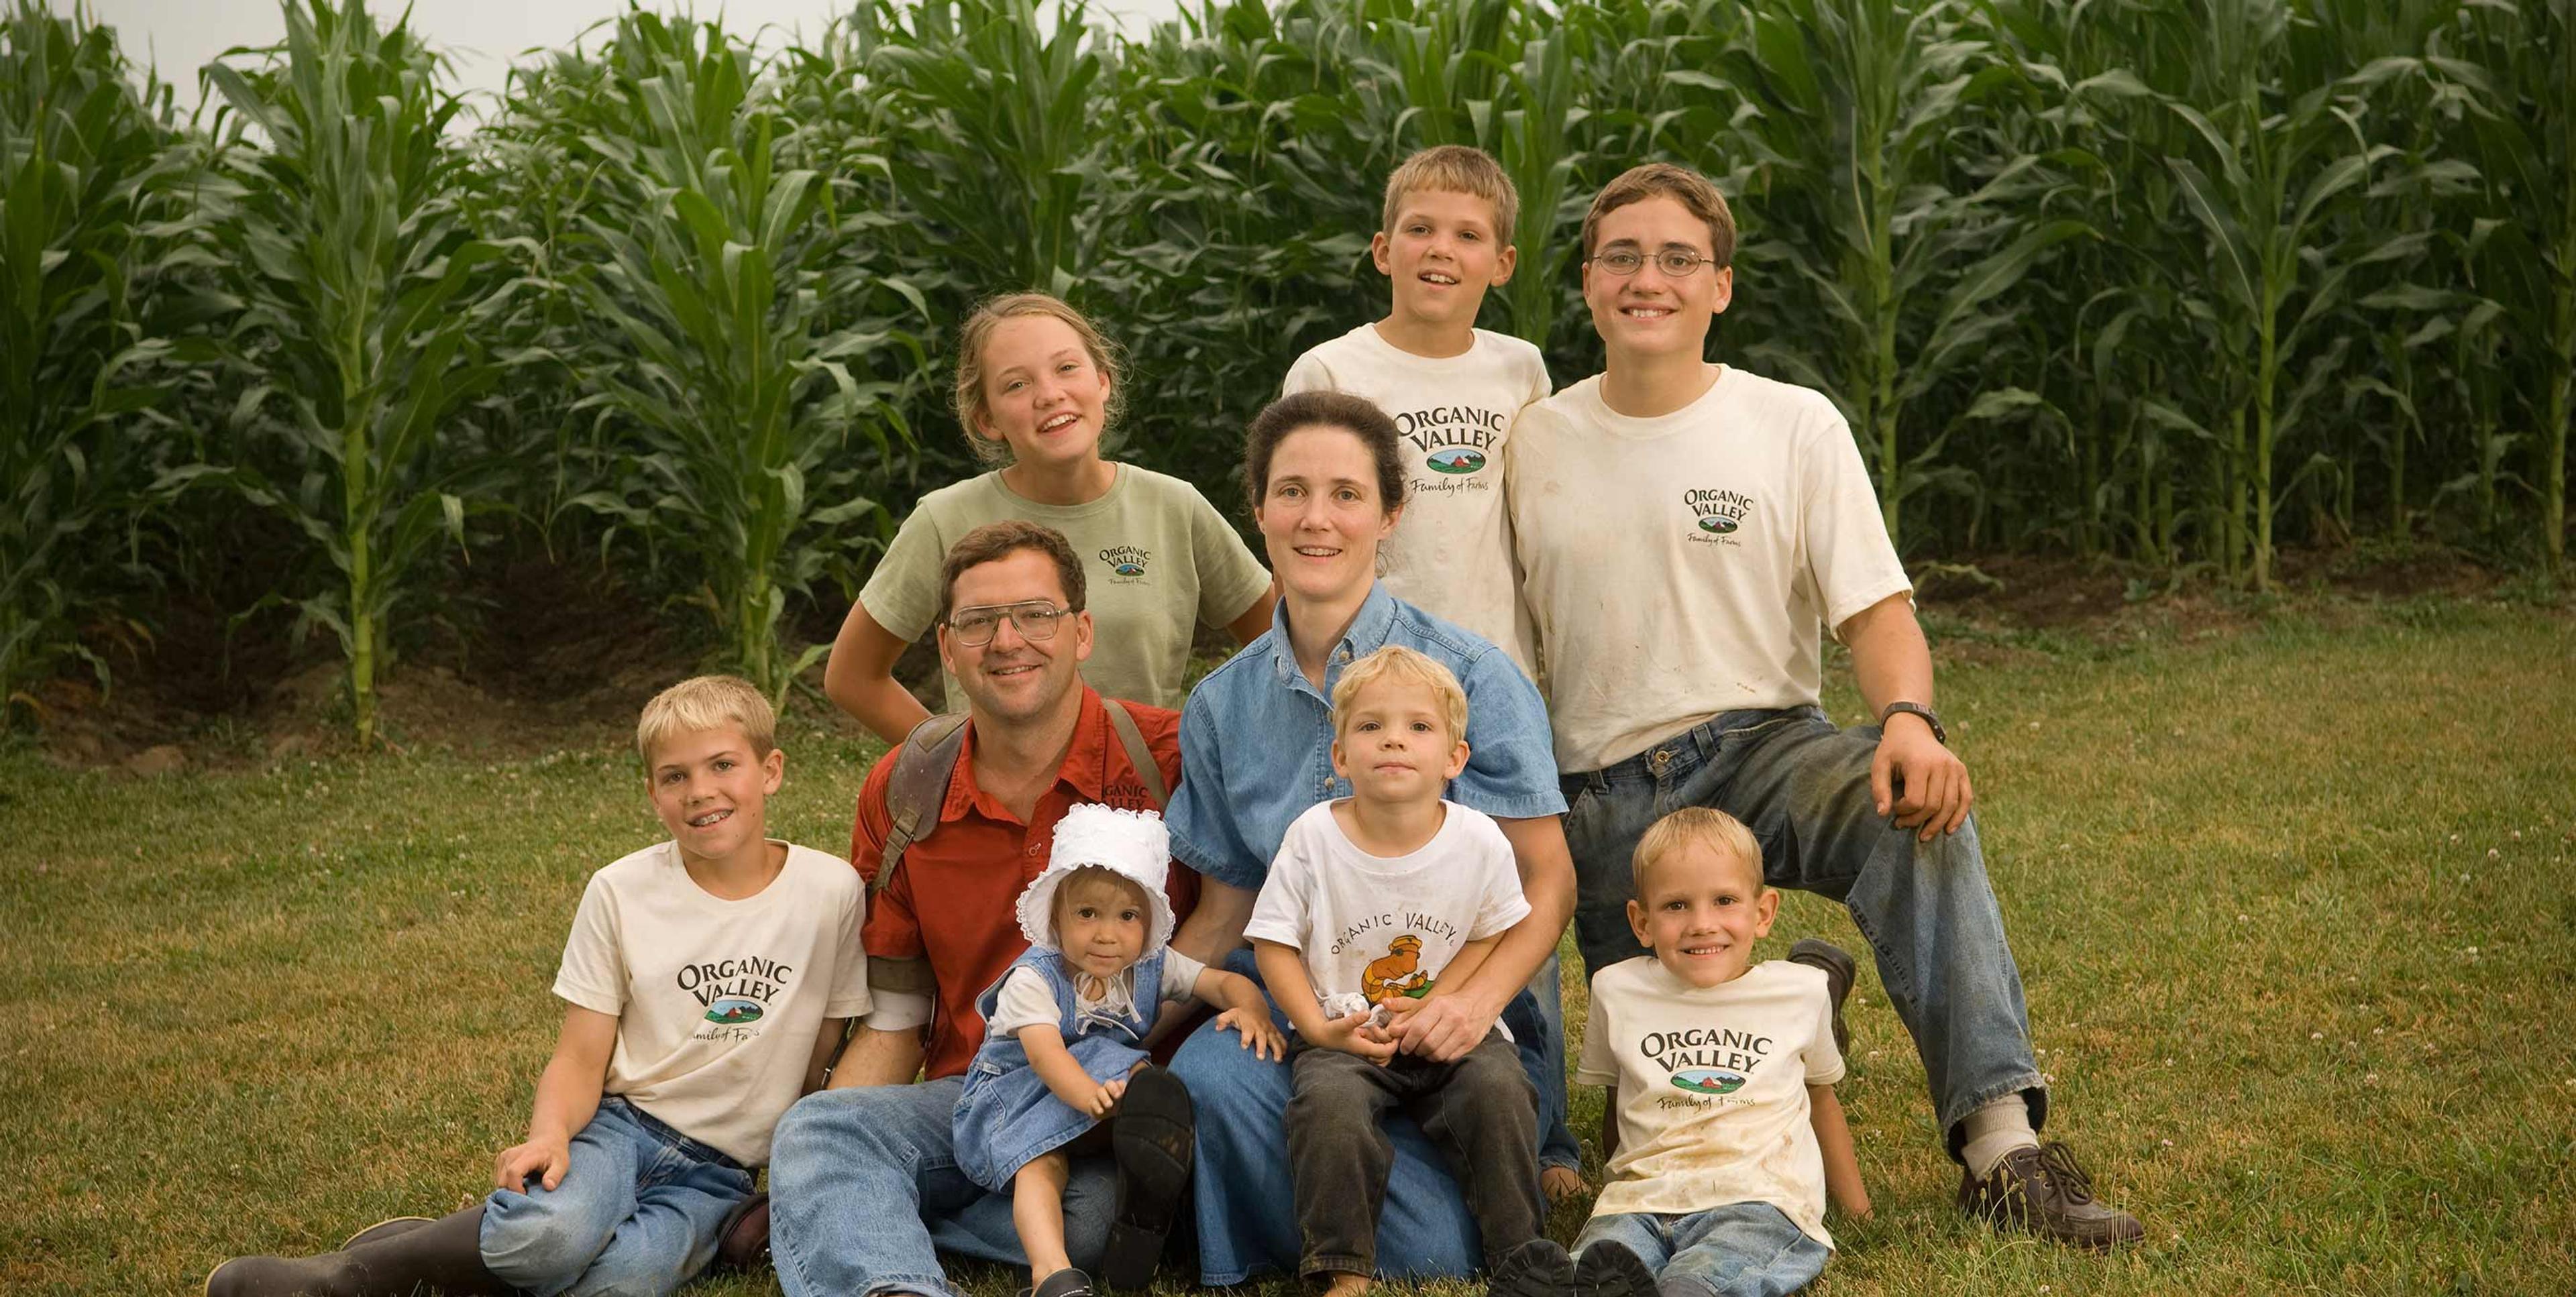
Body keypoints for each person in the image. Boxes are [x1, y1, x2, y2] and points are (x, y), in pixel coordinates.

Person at [1506, 162, 2144, 1247]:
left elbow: (1878, 612)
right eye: (1623, 256)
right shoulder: (1535, 440)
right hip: (1604, 791)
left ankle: (2002, 1150)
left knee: (1919, 816)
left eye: (1678, 258)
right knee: (1666, 1114)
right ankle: (1797, 996)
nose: (1648, 278)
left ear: (1721, 286)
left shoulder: (1791, 423)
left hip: (1769, 746)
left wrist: (1909, 723)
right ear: (1587, 282)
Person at [207, 676, 868, 1297]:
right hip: (621, 1127)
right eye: (676, 775)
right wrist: (550, 1135)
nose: (700, 790)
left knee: (621, 1282)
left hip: (717, 1175)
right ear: (652, 793)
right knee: (549, 1238)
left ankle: (449, 1246)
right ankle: (347, 1276)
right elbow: (579, 1054)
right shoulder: (622, 891)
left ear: (770, 770)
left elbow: (825, 1050)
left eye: (723, 764)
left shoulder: (829, 891)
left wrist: (804, 1171)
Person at [1161, 390, 1576, 1286]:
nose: (1317, 518)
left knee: (1438, 1251)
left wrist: (1472, 1004)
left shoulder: (1471, 677)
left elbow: (1546, 878)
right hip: (1305, 1016)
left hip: (1455, 1012)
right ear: (1258, 509)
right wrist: (1122, 1032)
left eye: (1346, 494)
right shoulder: (1222, 705)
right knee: (1209, 1076)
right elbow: (1228, 906)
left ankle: (1351, 1202)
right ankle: (1314, 1213)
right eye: (1292, 491)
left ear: (1390, 514)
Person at [767, 520, 1203, 1297]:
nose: (1007, 640)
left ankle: (848, 1211)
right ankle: (893, 1280)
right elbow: (897, 1015)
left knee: (1093, 1221)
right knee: (819, 1131)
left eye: (1036, 614)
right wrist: (838, 1131)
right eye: (978, 621)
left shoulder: (1170, 760)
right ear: (946, 646)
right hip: (977, 1095)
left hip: (1112, 1107)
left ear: (1082, 631)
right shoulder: (906, 788)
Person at [1279, 147, 1581, 1195]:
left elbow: (1528, 517)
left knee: (1513, 895)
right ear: (1382, 249)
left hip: (1495, 674)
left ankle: (1545, 1134)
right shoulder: (1333, 368)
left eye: (1466, 235)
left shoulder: (1520, 368)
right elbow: (1312, 512)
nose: (1439, 250)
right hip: (1381, 677)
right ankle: (1377, 1079)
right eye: (1419, 229)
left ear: (1503, 261)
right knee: (1395, 884)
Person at [1248, 645, 1565, 1297]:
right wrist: (1319, 1029)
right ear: (1341, 756)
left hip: (1449, 1026)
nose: (1394, 738)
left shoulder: (1478, 839)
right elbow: (1274, 944)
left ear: (1455, 758)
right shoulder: (1312, 838)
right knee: (1329, 1110)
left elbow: (1490, 932)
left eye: (1419, 726)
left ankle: (1521, 1256)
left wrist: (1440, 1000)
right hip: (1349, 1031)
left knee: (1500, 1090)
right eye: (1371, 725)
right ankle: (1341, 1268)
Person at [824, 292, 1276, 742]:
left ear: (1102, 380)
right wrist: (948, 760)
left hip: (1144, 786)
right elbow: (853, 677)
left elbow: (1285, 648)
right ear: (987, 419)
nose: (1050, 395)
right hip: (999, 789)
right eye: (1016, 385)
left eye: (1066, 368)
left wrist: (1217, 752)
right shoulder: (944, 520)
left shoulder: (1175, 507)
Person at [960, 804, 1284, 1297]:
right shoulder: (1034, 978)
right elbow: (1047, 1056)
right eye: (1087, 914)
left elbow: (1221, 982)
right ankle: (1051, 1272)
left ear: (1149, 924)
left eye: (1128, 916)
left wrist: (1252, 1009)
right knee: (1042, 1168)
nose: (1107, 934)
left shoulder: (1151, 965)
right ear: (1056, 919)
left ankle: (1145, 1168)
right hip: (1016, 1101)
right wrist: (1087, 1096)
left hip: (1097, 1095)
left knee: (1138, 1083)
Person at [1572, 808, 1869, 1297]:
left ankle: (1693, 1287)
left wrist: (1860, 1214)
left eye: (1725, 901)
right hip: (1641, 1201)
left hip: (1758, 1199)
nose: (1702, 924)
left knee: (1718, 1264)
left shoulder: (1800, 993)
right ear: (1641, 922)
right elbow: (1618, 1104)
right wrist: (1621, 1189)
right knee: (1605, 1254)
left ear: (1763, 913)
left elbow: (1821, 1100)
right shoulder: (1616, 991)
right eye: (1676, 906)